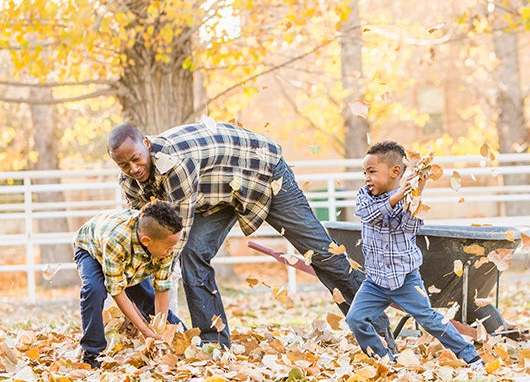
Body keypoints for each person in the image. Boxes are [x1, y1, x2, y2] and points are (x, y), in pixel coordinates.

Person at [106, 120, 393, 349]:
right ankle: (214, 344)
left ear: (146, 143)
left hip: (262, 172)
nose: (133, 168)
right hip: (218, 190)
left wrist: (161, 292)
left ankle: (376, 329)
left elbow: (174, 238)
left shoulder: (175, 165)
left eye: (136, 159)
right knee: (194, 254)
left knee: (320, 253)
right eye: (124, 165)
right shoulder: (129, 182)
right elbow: (149, 236)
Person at [345, 141, 485, 370]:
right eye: (364, 172)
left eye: (372, 172)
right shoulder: (365, 196)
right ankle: (384, 359)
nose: (366, 178)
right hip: (376, 281)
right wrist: (397, 196)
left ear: (395, 172)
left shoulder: (409, 201)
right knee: (355, 319)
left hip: (406, 278)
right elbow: (366, 214)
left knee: (430, 319)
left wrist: (416, 192)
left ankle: (470, 356)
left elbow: (409, 228)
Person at [74, 200, 186, 368]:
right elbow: (117, 290)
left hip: (131, 258)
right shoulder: (116, 241)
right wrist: (144, 330)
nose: (172, 251)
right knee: (94, 290)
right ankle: (92, 352)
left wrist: (159, 329)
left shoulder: (165, 244)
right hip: (91, 248)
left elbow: (161, 289)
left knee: (148, 299)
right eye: (169, 247)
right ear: (147, 241)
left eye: (173, 246)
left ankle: (184, 338)